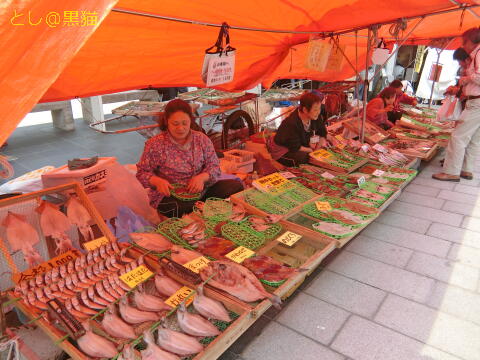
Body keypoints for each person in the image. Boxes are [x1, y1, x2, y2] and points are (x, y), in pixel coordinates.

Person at [136, 99, 243, 217]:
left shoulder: (201, 139)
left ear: (190, 121)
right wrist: (156, 181)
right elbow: (142, 173)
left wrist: (202, 177)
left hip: (202, 191)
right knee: (179, 208)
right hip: (171, 196)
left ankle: (202, 208)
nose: (180, 128)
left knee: (236, 186)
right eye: (175, 124)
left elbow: (214, 167)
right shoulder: (155, 144)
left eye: (184, 123)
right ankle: (205, 209)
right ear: (166, 122)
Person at [433, 27, 480, 182]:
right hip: (476, 101)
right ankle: (466, 169)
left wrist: (467, 79)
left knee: (458, 136)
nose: (463, 46)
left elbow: (478, 77)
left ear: (472, 41)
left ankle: (451, 172)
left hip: (476, 102)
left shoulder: (478, 54)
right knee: (474, 138)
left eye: (464, 42)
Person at [269, 92, 328, 167]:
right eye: (315, 110)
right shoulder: (291, 123)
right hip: (283, 150)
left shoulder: (315, 116)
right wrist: (313, 151)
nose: (318, 112)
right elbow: (295, 147)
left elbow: (323, 133)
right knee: (304, 158)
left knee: (323, 152)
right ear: (305, 110)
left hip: (300, 145)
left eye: (319, 109)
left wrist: (318, 149)